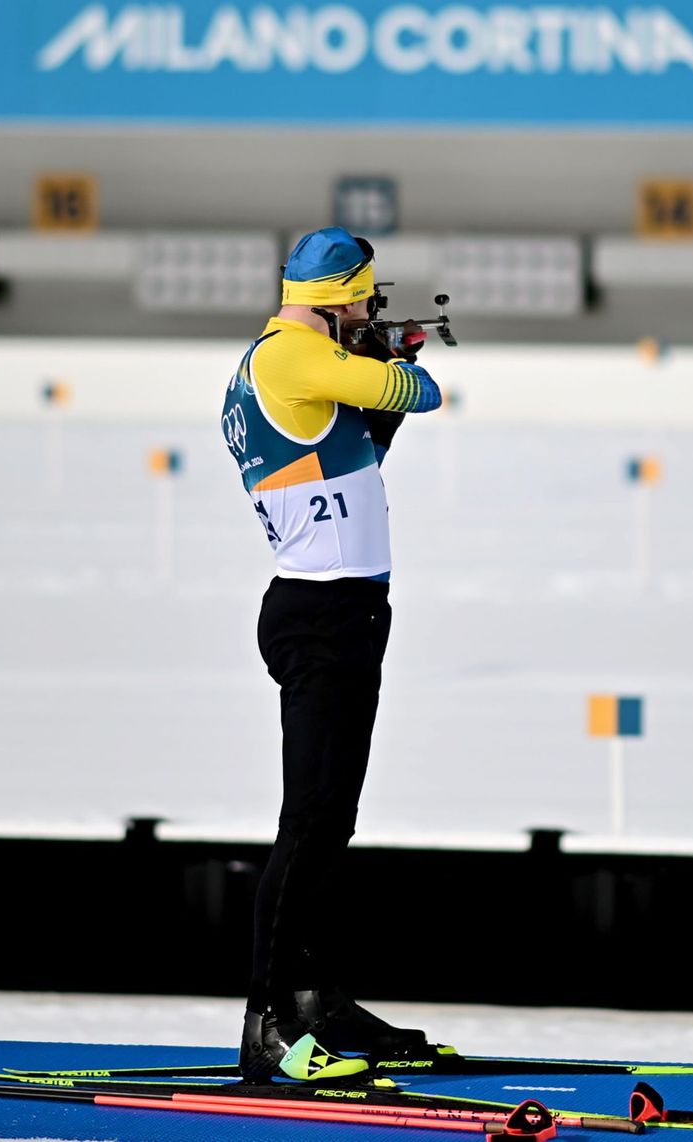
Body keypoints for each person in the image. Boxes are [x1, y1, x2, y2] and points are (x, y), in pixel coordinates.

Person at [220, 227, 444, 1081]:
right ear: (340, 296)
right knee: (310, 823)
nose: (370, 312)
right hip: (324, 613)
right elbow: (417, 390)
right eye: (365, 300)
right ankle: (268, 1024)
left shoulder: (285, 366)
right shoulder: (293, 357)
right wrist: (391, 362)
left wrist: (377, 367)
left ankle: (313, 1000)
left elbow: (359, 453)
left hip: (335, 610)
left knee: (328, 821)